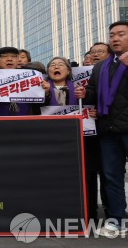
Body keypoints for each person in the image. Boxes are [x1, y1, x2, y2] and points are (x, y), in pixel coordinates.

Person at [77, 21, 128, 242]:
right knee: (112, 177)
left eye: (121, 34)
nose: (115, 38)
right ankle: (116, 219)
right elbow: (94, 93)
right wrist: (83, 94)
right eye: (112, 34)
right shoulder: (101, 66)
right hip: (108, 129)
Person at [43, 57, 101, 222]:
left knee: (86, 177)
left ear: (68, 71)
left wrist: (94, 113)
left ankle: (89, 214)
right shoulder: (40, 89)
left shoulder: (80, 88)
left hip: (81, 140)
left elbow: (94, 105)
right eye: (52, 65)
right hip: (53, 142)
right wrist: (45, 93)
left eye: (60, 65)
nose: (56, 67)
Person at [0, 46, 48, 116]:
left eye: (13, 56)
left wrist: (46, 94)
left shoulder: (30, 78)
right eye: (4, 56)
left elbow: (39, 107)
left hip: (25, 123)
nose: (9, 59)